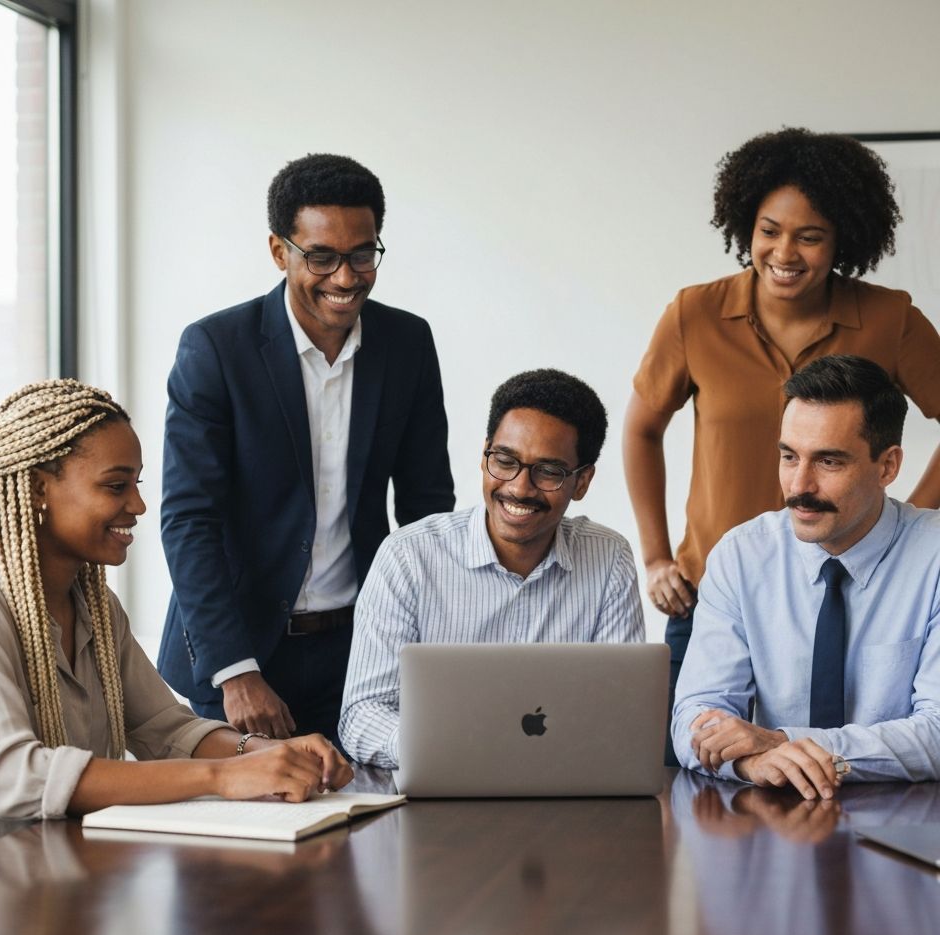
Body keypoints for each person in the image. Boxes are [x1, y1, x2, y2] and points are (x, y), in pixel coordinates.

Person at [0, 380, 352, 851]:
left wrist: (269, 753)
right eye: (115, 486)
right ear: (40, 489)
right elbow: (15, 779)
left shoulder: (97, 607)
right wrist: (226, 776)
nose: (139, 506)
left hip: (64, 857)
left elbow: (166, 730)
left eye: (136, 485)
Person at [623, 128, 940, 766]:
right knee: (692, 765)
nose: (783, 251)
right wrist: (656, 557)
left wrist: (912, 528)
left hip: (865, 589)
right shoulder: (695, 314)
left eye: (810, 235)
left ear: (843, 238)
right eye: (769, 230)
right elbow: (640, 428)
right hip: (721, 590)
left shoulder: (891, 318)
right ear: (746, 226)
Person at [158, 153, 454, 745]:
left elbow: (428, 508)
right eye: (321, 257)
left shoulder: (408, 344)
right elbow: (189, 519)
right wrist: (235, 671)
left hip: (363, 650)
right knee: (239, 834)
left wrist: (434, 650)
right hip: (240, 657)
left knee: (373, 828)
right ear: (279, 251)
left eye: (363, 254)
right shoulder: (216, 349)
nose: (346, 278)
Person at [340, 369, 645, 768]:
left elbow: (620, 715)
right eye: (505, 461)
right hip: (439, 795)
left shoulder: (609, 561)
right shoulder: (408, 557)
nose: (519, 488)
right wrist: (441, 750)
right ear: (485, 453)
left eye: (549, 471)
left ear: (582, 481)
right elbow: (362, 715)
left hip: (565, 798)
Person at [672, 356, 940, 797]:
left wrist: (786, 742)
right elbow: (696, 715)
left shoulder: (933, 558)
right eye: (788, 456)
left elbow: (934, 733)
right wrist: (753, 761)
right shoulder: (742, 556)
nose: (800, 485)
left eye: (829, 462)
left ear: (888, 466)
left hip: (906, 822)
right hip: (771, 820)